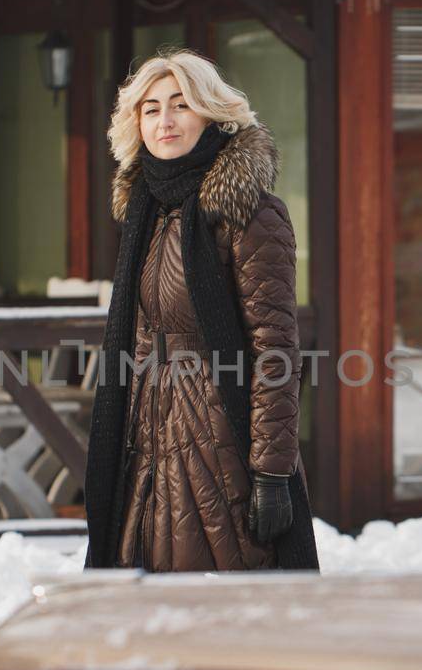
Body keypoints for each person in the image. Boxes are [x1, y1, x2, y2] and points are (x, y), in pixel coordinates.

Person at [81, 49, 319, 573]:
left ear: (212, 113)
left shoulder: (250, 213)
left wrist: (273, 473)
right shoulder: (146, 209)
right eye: (151, 108)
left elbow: (275, 349)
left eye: (181, 104)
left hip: (219, 445)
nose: (165, 121)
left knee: (222, 603)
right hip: (144, 437)